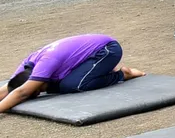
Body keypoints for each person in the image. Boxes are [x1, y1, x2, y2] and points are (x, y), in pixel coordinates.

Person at [1, 34, 144, 113]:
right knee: (58, 86)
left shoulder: (46, 63)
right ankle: (98, 70)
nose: (39, 94)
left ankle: (122, 74)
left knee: (73, 85)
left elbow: (22, 93)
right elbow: (10, 88)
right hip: (88, 56)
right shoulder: (26, 67)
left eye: (37, 91)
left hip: (107, 50)